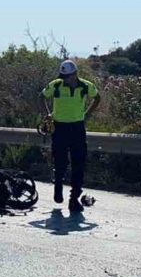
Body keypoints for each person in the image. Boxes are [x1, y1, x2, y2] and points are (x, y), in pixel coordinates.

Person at [40, 59, 101, 215]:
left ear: (74, 75)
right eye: (63, 76)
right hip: (59, 127)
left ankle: (74, 199)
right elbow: (42, 96)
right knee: (60, 160)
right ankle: (58, 184)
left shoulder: (85, 86)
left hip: (77, 128)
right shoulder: (56, 85)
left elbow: (97, 97)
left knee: (78, 163)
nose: (65, 78)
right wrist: (46, 115)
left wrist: (87, 114)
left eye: (67, 76)